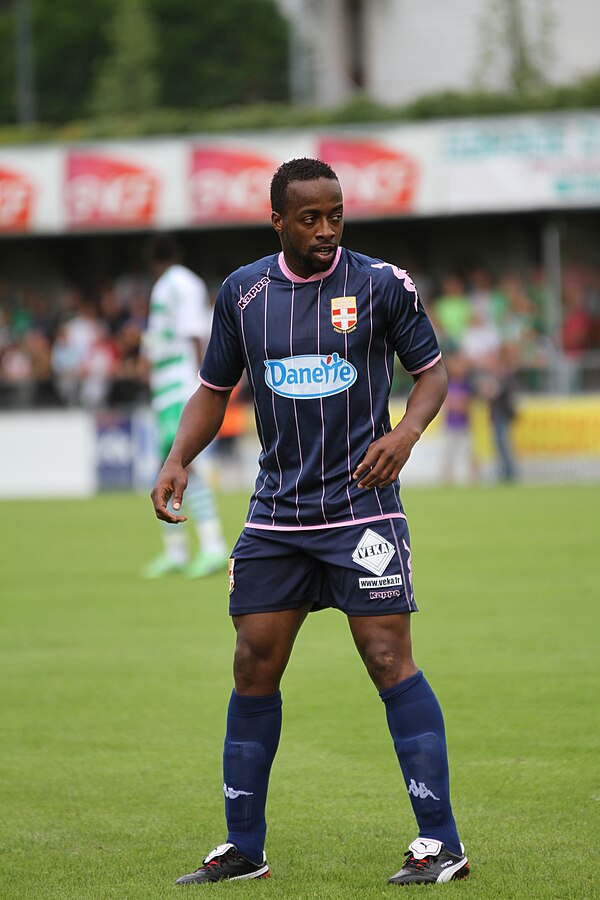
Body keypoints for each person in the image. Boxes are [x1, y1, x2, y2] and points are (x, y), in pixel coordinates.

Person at [151, 159, 469, 886]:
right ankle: (244, 849)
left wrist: (407, 434)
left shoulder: (381, 283)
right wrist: (177, 458)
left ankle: (439, 842)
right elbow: (211, 389)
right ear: (278, 222)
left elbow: (433, 373)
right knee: (252, 663)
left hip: (363, 507)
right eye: (310, 218)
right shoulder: (244, 292)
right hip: (278, 514)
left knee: (388, 660)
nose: (326, 230)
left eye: (336, 215)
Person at [143, 234, 228, 578]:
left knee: (182, 465)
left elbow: (194, 332)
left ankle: (213, 546)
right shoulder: (172, 285)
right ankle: (176, 551)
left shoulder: (177, 284)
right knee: (166, 467)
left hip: (179, 385)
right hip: (167, 387)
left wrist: (199, 383)